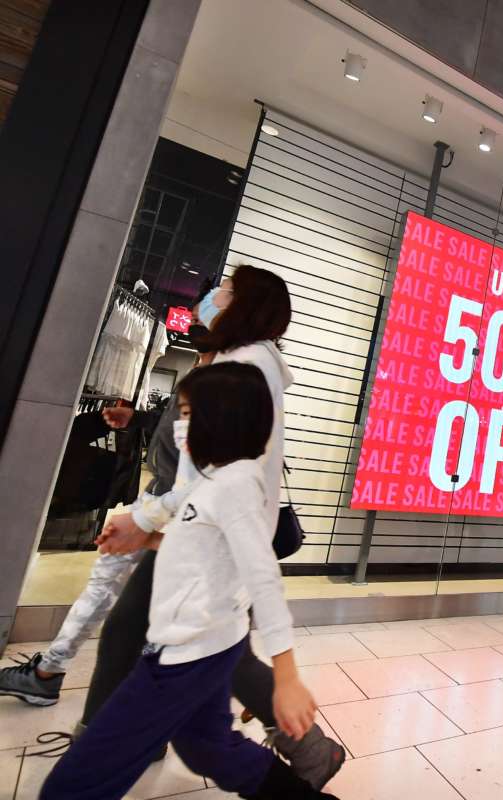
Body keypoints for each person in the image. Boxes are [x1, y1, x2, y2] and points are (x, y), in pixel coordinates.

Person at [77, 267, 343, 789]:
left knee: (137, 632)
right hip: (196, 523)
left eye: (223, 290)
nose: (211, 297)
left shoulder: (248, 365)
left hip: (206, 529)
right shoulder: (235, 358)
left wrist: (149, 521)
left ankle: (101, 748)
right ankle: (304, 751)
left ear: (242, 304)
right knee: (210, 661)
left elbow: (220, 466)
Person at [40, 363, 336, 799]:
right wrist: (144, 530)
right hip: (208, 643)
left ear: (225, 419)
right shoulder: (212, 477)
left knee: (76, 782)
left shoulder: (235, 486)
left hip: (185, 657)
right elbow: (197, 535)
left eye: (189, 414)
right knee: (208, 748)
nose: (180, 426)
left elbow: (264, 582)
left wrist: (288, 679)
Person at [0, 317, 212, 708]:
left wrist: (152, 523)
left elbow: (209, 465)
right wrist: (139, 420)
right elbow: (177, 431)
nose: (203, 309)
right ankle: (50, 671)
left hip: (179, 510)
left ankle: (141, 710)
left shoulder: (228, 381)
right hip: (161, 499)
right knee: (114, 589)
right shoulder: (204, 369)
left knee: (153, 612)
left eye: (222, 298)